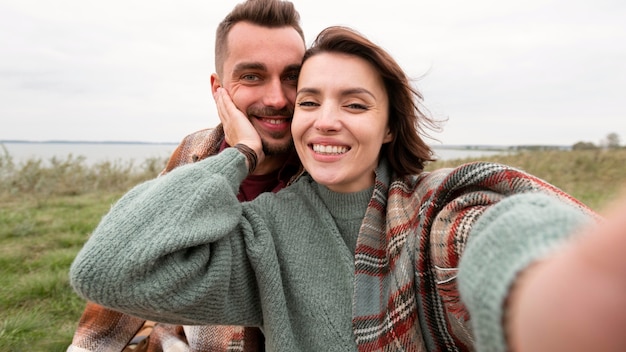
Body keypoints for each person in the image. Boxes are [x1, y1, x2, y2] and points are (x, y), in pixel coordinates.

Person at [69, 26, 626, 351]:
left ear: (388, 127)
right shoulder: (265, 230)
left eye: (354, 104)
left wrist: (536, 284)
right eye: (309, 102)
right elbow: (108, 270)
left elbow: (489, 235)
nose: (325, 120)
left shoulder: (434, 210)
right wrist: (238, 155)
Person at [67, 0, 305, 351]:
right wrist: (244, 154)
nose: (277, 98)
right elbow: (132, 257)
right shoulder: (196, 150)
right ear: (217, 89)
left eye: (292, 77)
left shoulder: (323, 172)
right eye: (252, 76)